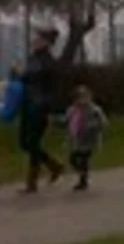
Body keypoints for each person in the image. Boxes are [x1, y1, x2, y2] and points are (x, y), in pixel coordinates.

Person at [15, 27, 64, 193]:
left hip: (39, 106)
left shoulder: (46, 61)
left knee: (31, 142)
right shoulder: (35, 58)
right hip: (29, 105)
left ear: (47, 43)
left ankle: (32, 182)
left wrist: (19, 72)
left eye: (39, 39)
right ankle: (53, 165)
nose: (34, 41)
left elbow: (30, 78)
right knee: (25, 142)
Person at [65, 85, 108, 192]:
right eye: (79, 97)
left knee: (83, 159)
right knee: (73, 159)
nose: (82, 100)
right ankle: (83, 174)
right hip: (77, 139)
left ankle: (83, 181)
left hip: (89, 139)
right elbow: (68, 122)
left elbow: (103, 122)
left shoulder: (94, 110)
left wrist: (91, 126)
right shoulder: (72, 110)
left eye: (85, 97)